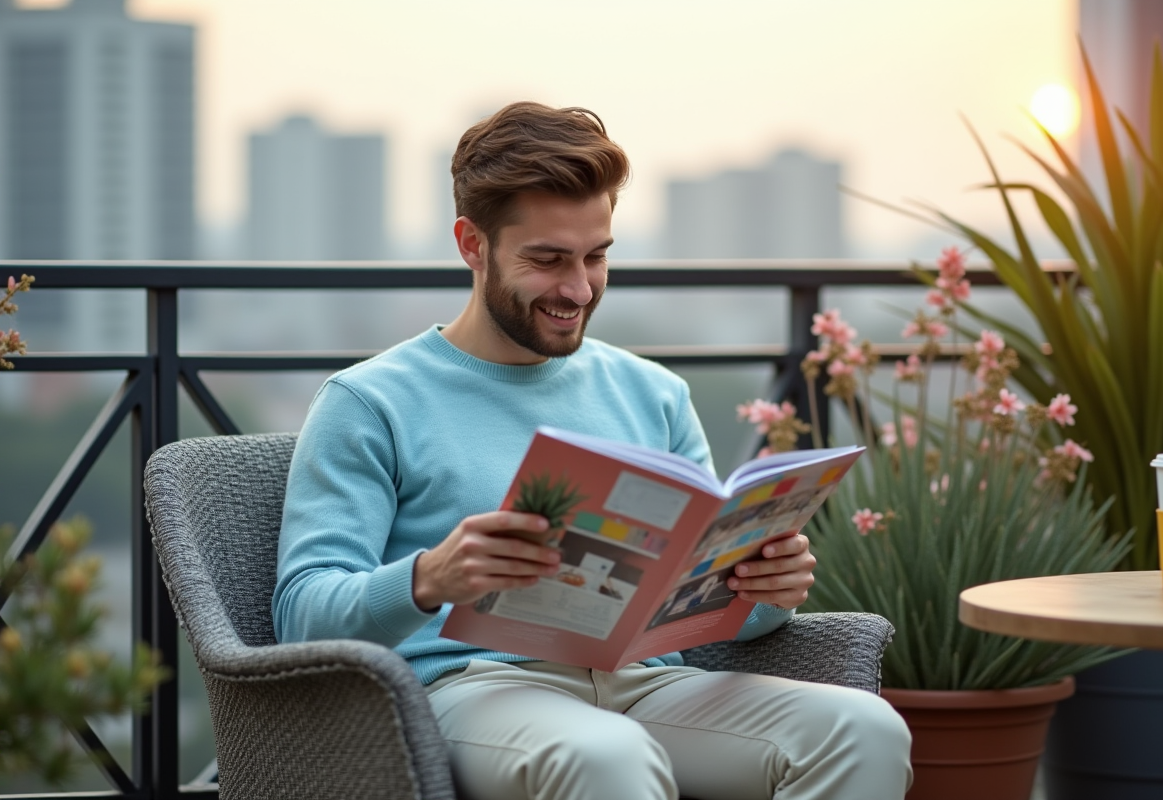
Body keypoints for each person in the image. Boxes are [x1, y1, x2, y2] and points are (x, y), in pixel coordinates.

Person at [273, 101, 912, 800]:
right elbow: (302, 615)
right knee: (606, 756)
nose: (578, 288)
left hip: (647, 683)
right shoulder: (370, 402)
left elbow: (703, 614)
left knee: (865, 729)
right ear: (472, 244)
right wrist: (428, 577)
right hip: (473, 690)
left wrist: (766, 592)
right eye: (547, 260)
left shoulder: (651, 392)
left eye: (596, 256)